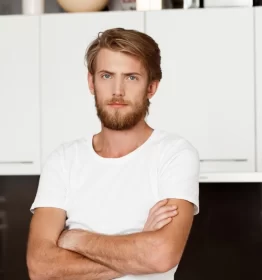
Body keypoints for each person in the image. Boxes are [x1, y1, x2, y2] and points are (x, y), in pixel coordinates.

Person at [26, 28, 200, 280]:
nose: (117, 90)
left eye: (131, 77)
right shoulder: (63, 160)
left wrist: (75, 238)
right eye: (106, 75)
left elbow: (161, 255)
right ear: (91, 82)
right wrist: (139, 244)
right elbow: (41, 268)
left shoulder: (174, 154)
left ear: (151, 87)